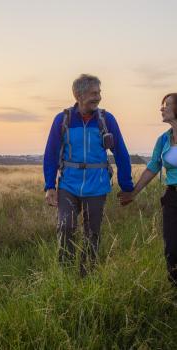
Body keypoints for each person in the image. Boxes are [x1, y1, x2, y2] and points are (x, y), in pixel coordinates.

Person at [43, 74, 134, 275]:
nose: (98, 97)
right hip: (68, 185)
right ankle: (65, 274)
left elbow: (121, 153)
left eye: (99, 92)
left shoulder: (106, 119)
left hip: (97, 186)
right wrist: (50, 186)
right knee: (66, 226)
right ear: (79, 95)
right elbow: (50, 154)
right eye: (94, 93)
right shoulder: (63, 119)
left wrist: (127, 187)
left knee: (92, 233)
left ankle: (87, 275)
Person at [118, 93, 177, 286]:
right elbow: (153, 167)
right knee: (172, 249)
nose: (161, 108)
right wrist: (133, 193)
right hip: (172, 197)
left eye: (166, 105)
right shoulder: (163, 140)